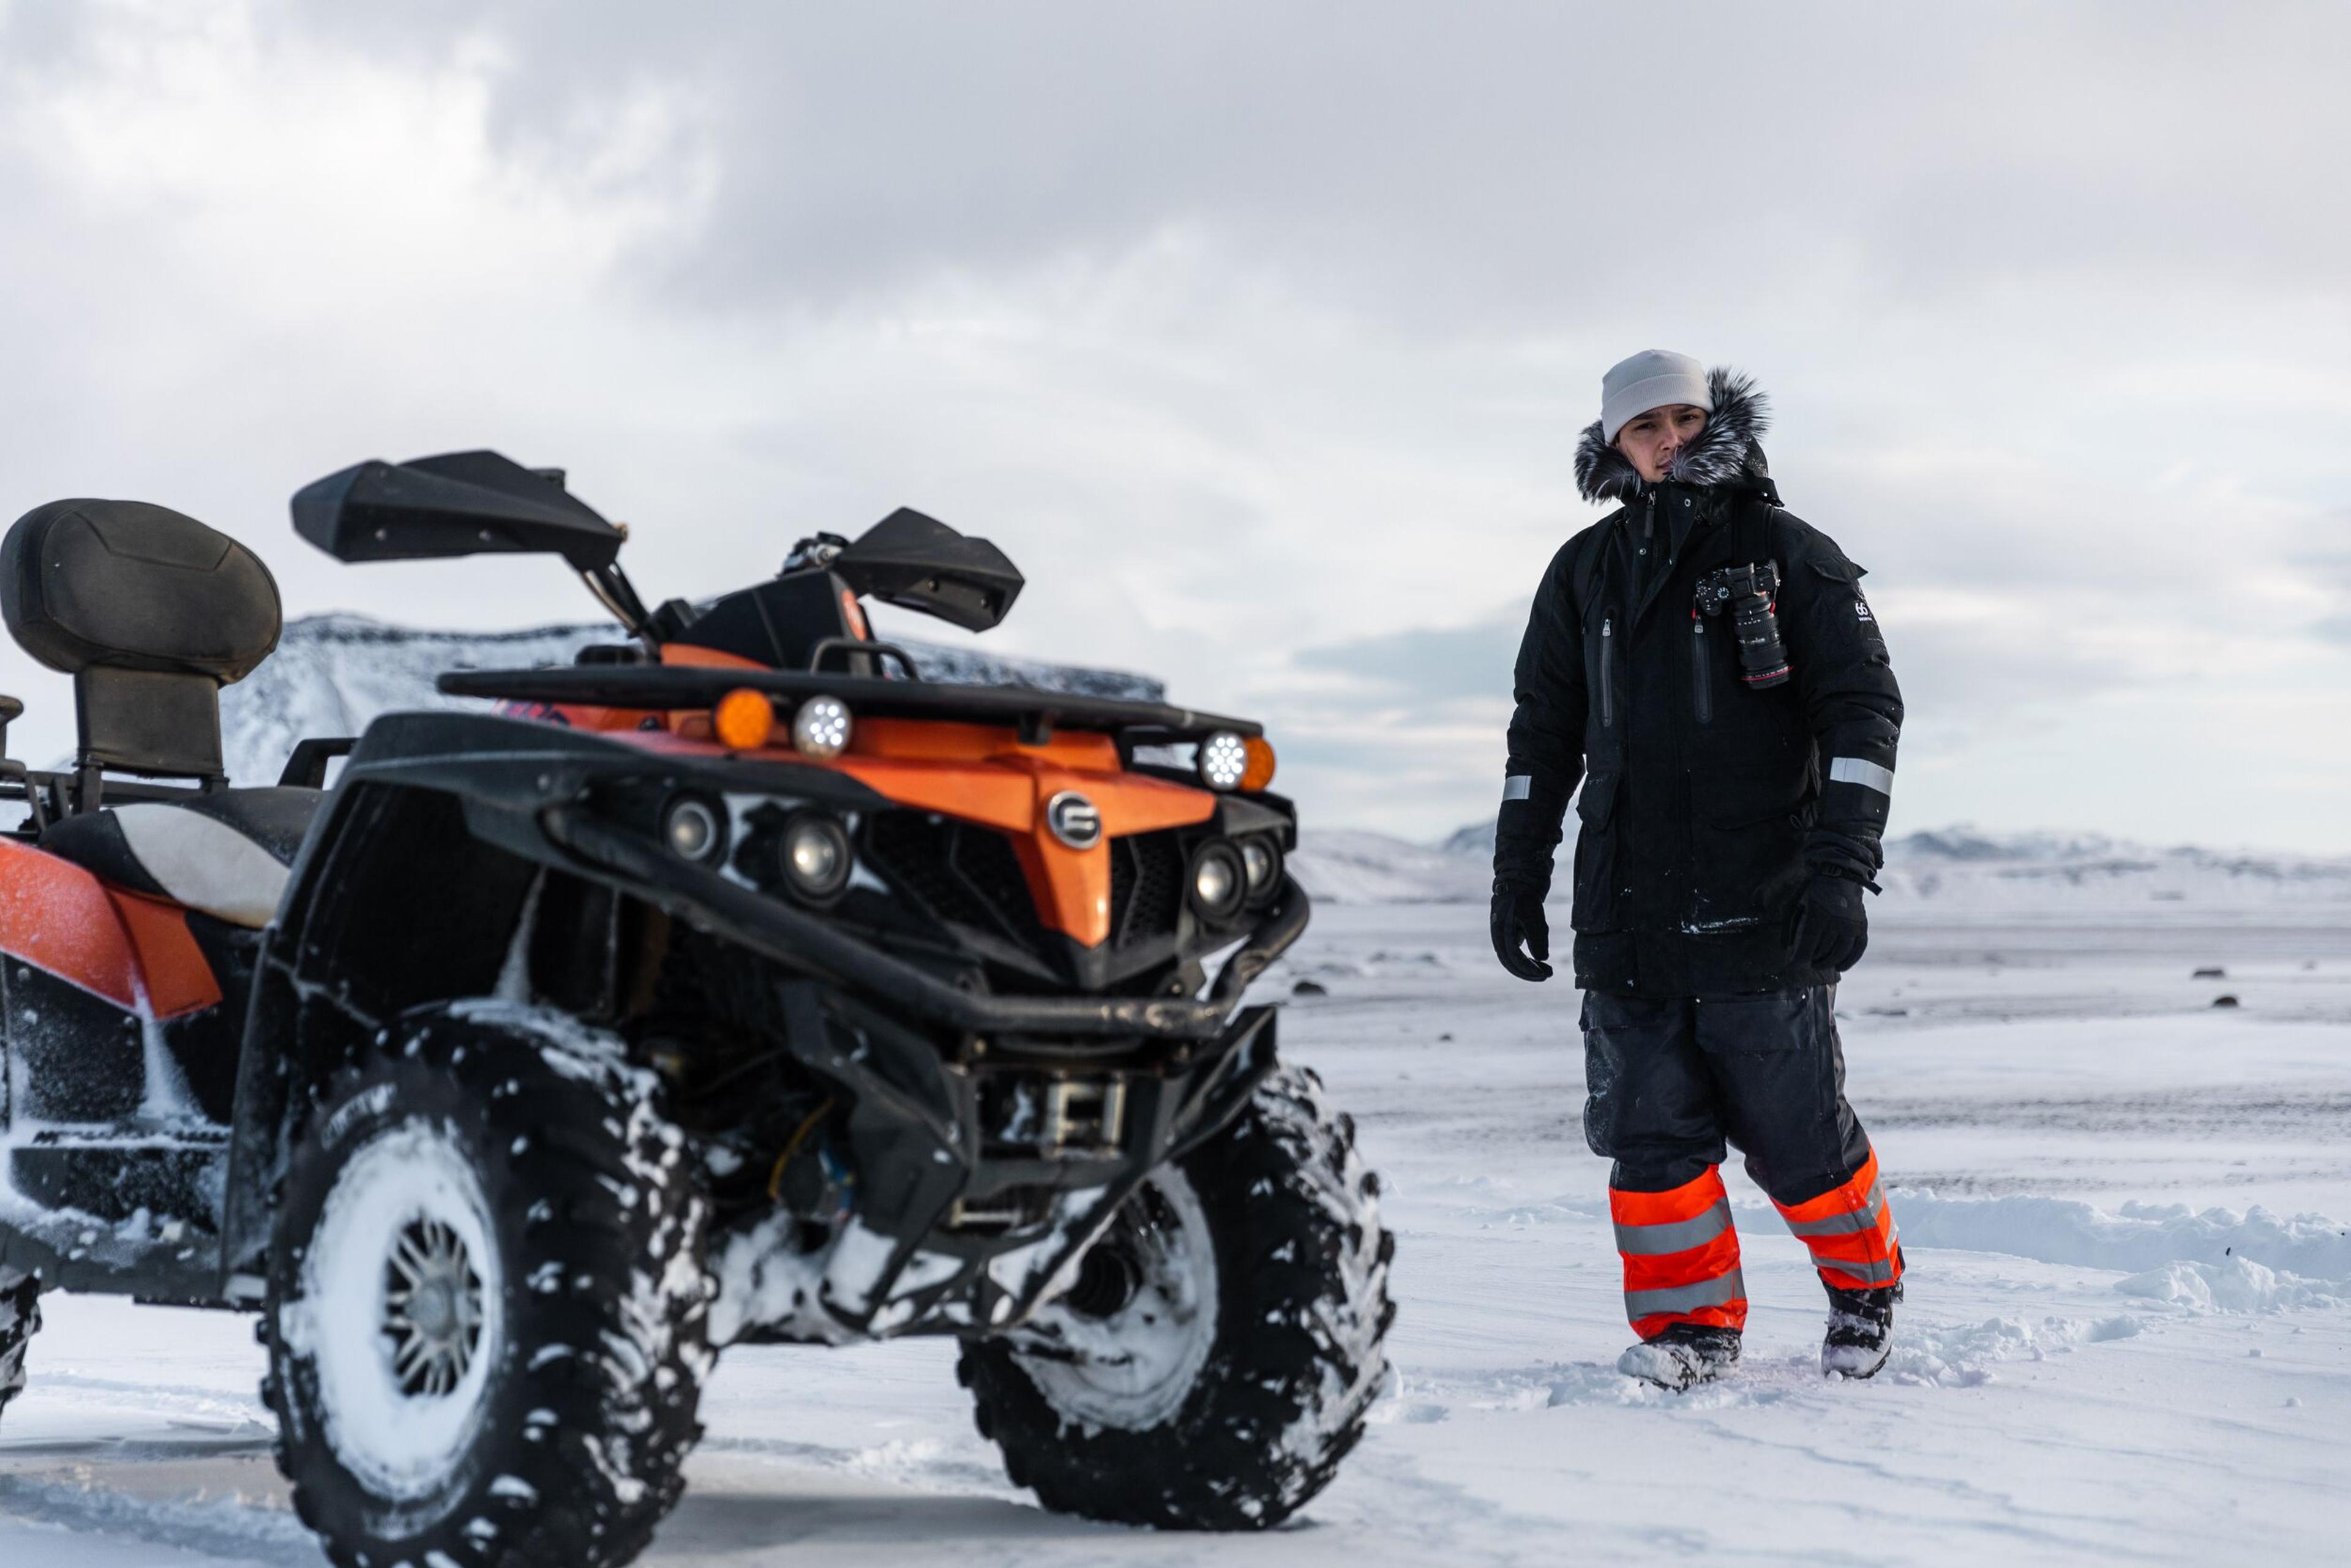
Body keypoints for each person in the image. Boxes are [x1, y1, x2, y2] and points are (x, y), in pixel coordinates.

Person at [1490, 350, 1905, 1389]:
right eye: (1645, 426)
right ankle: (1691, 1327)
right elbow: (1542, 740)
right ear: (1613, 447)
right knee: (1651, 1136)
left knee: (1797, 1130)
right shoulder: (1583, 571)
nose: (1668, 437)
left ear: (1715, 420)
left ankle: (1865, 1290)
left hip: (1762, 906)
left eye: (1684, 416)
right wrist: (1516, 875)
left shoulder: (1785, 551)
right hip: (1627, 913)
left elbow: (1863, 711)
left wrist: (1840, 868)